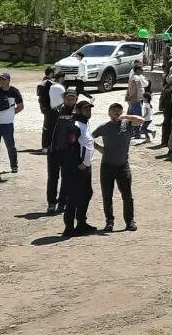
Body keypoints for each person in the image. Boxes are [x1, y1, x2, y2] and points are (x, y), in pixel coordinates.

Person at [92, 102, 144, 231]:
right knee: (107, 196)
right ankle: (109, 222)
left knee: (127, 196)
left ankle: (130, 222)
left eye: (119, 111)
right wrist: (99, 148)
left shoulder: (127, 124)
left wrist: (126, 117)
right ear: (109, 112)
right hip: (107, 166)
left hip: (123, 166)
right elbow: (88, 138)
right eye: (114, 110)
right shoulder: (104, 127)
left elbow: (141, 120)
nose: (116, 113)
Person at [61, 97, 97, 237]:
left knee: (86, 193)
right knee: (74, 197)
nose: (88, 111)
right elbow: (70, 147)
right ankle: (69, 227)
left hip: (85, 166)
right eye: (85, 109)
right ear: (78, 110)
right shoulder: (75, 125)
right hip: (78, 167)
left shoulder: (84, 123)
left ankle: (81, 223)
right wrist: (80, 163)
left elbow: (88, 143)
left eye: (89, 109)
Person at [0, 72, 24, 175]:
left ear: (8, 80)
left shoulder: (14, 92)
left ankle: (14, 166)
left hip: (8, 124)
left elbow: (21, 106)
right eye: (0, 79)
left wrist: (11, 113)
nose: (1, 81)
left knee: (10, 146)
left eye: (4, 79)